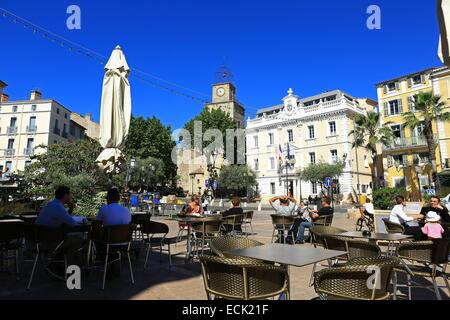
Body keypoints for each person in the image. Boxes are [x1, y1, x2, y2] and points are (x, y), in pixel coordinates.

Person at [35, 186, 84, 280]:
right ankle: (63, 267)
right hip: (47, 243)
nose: (70, 197)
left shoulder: (51, 205)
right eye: (69, 195)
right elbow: (73, 224)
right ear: (65, 195)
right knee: (78, 238)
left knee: (70, 238)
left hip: (38, 240)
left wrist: (70, 209)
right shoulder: (58, 208)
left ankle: (59, 264)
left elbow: (65, 220)